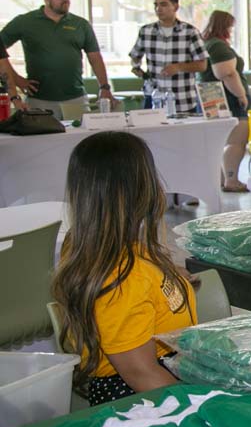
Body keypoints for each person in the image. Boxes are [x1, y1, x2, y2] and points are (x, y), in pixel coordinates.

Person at [51, 131, 197, 406]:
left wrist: (167, 273)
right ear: (142, 190)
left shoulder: (94, 246)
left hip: (158, 377)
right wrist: (203, 404)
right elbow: (141, 374)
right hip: (142, 399)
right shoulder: (122, 278)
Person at [0, 0, 116, 118]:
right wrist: (17, 79)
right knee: (42, 139)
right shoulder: (24, 22)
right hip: (39, 100)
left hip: (76, 99)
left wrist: (104, 87)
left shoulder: (81, 24)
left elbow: (95, 58)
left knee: (80, 138)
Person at [130, 0, 207, 114]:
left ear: (175, 7)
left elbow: (202, 65)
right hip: (154, 97)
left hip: (182, 99)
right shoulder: (146, 31)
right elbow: (135, 55)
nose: (158, 9)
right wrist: (137, 68)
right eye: (156, 5)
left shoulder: (190, 32)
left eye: (164, 4)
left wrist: (179, 67)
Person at [199, 10, 250, 193]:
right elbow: (227, 73)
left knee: (219, 143)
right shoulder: (218, 46)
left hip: (213, 99)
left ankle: (221, 179)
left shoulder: (207, 44)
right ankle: (232, 180)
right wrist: (241, 95)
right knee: (236, 141)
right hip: (228, 100)